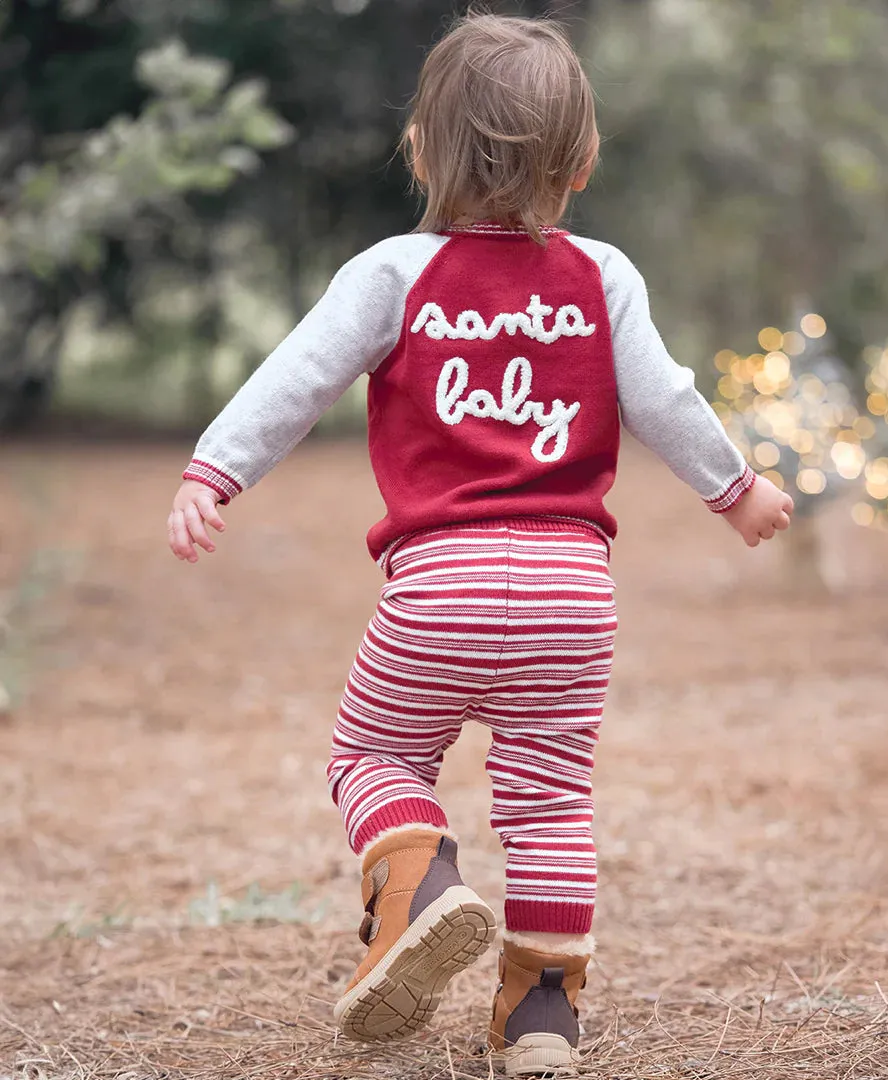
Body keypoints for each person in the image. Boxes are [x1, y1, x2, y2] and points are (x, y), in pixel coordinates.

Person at [166, 12, 793, 1077]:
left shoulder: (393, 274)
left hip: (440, 588)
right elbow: (666, 399)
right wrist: (735, 491)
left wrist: (213, 470)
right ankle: (541, 1014)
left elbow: (295, 379)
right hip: (569, 597)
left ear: (419, 149)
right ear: (584, 162)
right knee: (550, 798)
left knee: (372, 755)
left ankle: (419, 875)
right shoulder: (605, 277)